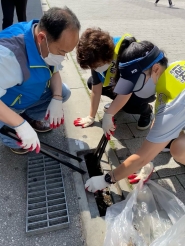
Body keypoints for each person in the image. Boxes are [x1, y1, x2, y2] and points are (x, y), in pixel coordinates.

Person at [84, 38, 185, 193]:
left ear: (156, 69)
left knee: (178, 150)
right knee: (162, 142)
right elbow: (159, 118)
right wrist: (149, 160)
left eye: (137, 83)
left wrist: (107, 178)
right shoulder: (173, 70)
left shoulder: (173, 103)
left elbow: (142, 156)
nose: (136, 90)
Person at [0, 7, 80, 154]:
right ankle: (12, 131)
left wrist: (56, 97)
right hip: (6, 105)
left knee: (63, 91)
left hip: (26, 94)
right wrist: (20, 125)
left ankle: (29, 118)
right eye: (62, 51)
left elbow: (53, 69)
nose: (63, 57)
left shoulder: (43, 41)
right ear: (41, 38)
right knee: (20, 142)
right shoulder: (7, 55)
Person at [74, 28, 155, 131]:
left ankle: (146, 111)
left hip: (142, 88)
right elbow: (96, 88)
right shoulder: (96, 57)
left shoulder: (127, 52)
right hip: (120, 84)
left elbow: (127, 91)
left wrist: (109, 114)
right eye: (92, 67)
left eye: (97, 65)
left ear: (107, 56)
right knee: (91, 82)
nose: (95, 69)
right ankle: (118, 105)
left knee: (129, 106)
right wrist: (91, 117)